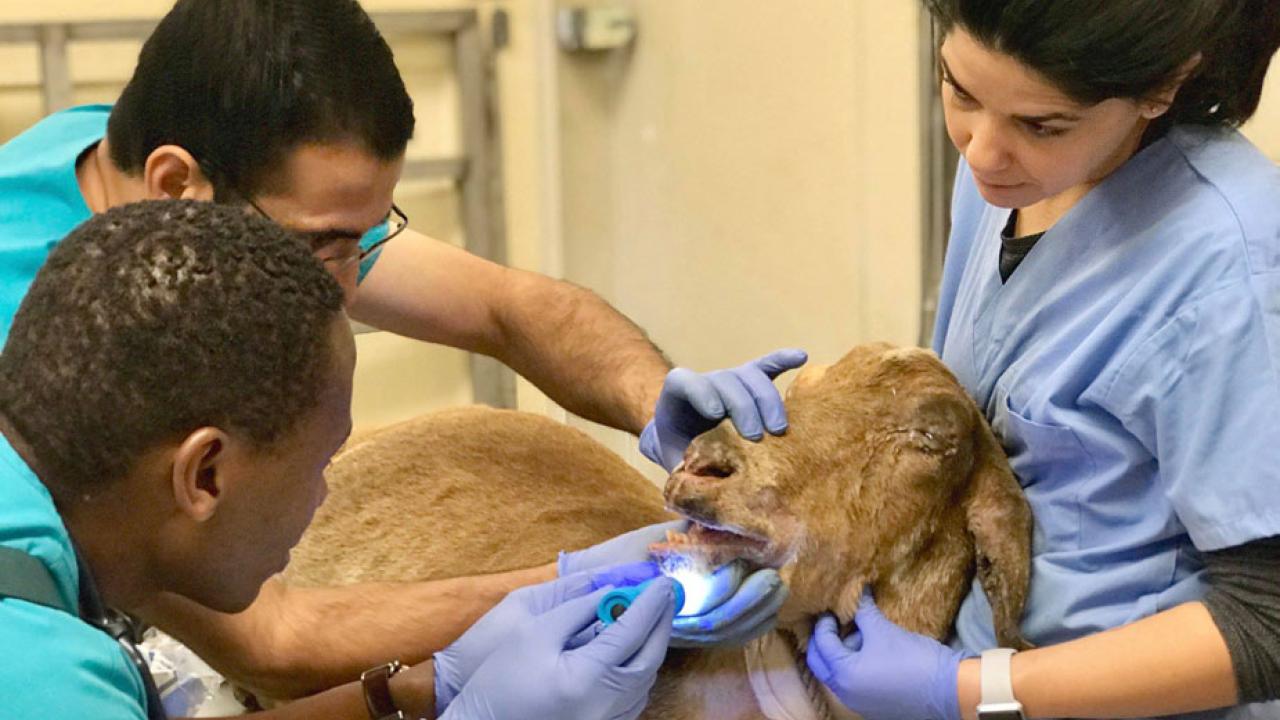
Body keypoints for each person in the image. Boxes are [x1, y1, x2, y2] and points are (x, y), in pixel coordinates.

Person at [0, 0, 803, 701]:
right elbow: (271, 639)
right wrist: (601, 585)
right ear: (175, 187)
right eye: (327, 243)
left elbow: (505, 307)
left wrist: (654, 394)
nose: (348, 284)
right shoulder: (40, 357)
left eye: (367, 236)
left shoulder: (141, 171)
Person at [779, 1, 1280, 719]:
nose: (981, 150)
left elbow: (1268, 622)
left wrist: (973, 692)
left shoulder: (1230, 262)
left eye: (1041, 124)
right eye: (959, 91)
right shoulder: (1009, 181)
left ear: (1162, 88)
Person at [0, 198, 677, 720]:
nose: (326, 495)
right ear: (205, 475)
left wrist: (413, 693)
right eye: (318, 463)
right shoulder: (43, 679)